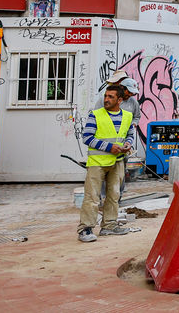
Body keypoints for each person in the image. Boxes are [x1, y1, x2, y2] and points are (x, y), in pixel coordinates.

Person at [77, 85, 134, 242]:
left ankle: (109, 226)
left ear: (120, 100)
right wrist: (110, 147)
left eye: (111, 97)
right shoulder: (95, 115)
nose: (106, 99)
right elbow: (87, 137)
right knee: (92, 197)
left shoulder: (127, 116)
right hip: (97, 162)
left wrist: (128, 144)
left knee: (114, 195)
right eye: (106, 96)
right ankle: (85, 229)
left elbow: (130, 134)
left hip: (117, 162)